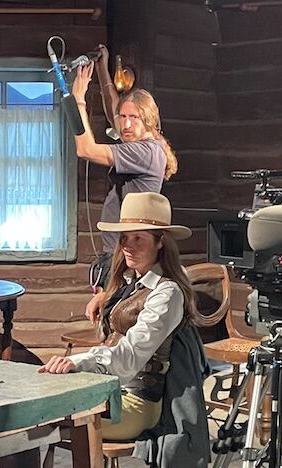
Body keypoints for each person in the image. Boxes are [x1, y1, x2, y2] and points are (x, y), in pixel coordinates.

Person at [39, 192, 198, 441]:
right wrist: (106, 297)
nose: (128, 245)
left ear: (161, 242)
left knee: (49, 422)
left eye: (138, 238)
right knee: (41, 406)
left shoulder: (167, 293)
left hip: (135, 401)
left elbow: (131, 356)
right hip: (108, 388)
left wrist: (79, 362)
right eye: (124, 237)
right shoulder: (130, 282)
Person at [71, 59, 178, 325]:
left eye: (135, 118)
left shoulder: (144, 151)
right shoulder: (147, 144)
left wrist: (77, 101)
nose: (126, 124)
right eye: (124, 117)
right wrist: (104, 70)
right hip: (119, 252)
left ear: (149, 121)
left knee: (117, 326)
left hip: (126, 253)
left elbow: (85, 149)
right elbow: (113, 110)